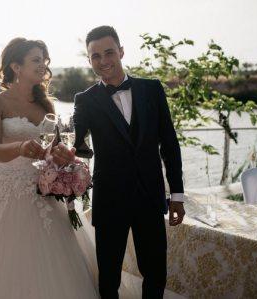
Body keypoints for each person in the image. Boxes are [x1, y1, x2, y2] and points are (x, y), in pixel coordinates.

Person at [0, 38, 102, 299]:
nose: (43, 66)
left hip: (44, 190)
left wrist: (62, 155)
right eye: (36, 60)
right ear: (16, 66)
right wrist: (19, 147)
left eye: (44, 60)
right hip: (5, 189)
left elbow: (53, 149)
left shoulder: (46, 105)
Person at [53, 25, 186, 299]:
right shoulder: (85, 100)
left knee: (155, 273)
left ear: (121, 51)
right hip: (110, 198)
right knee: (109, 277)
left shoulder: (152, 89)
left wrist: (177, 195)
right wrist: (68, 149)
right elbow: (77, 142)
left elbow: (170, 145)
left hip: (150, 196)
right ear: (89, 60)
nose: (103, 61)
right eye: (95, 56)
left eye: (109, 52)